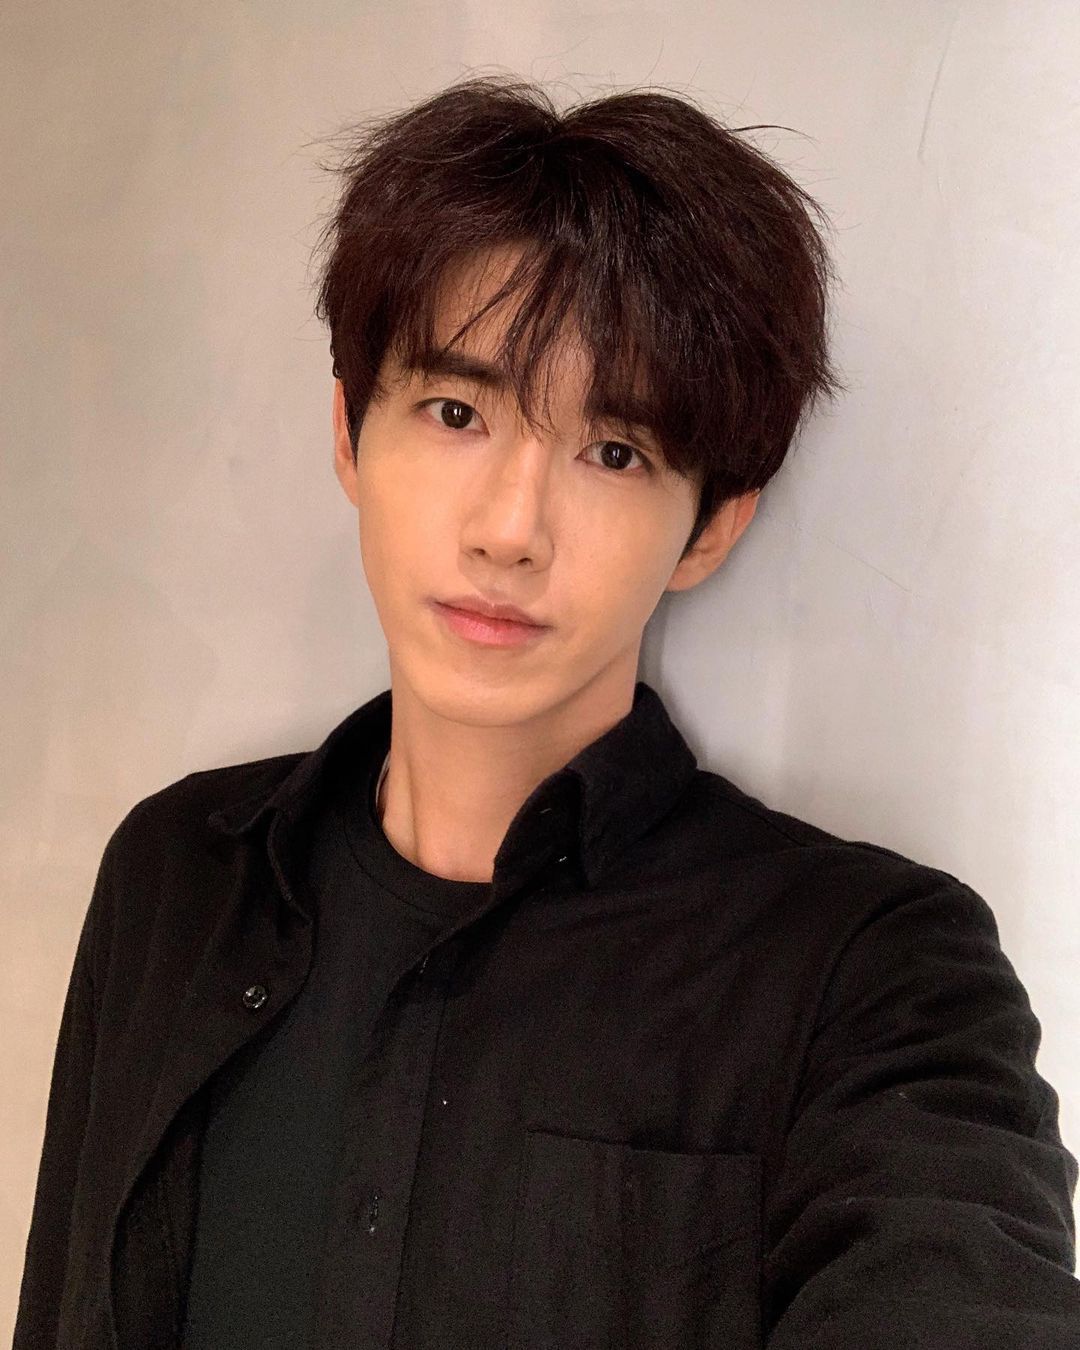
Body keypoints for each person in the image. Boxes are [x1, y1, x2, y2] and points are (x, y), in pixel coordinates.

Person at [14, 73, 1080, 1350]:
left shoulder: (876, 971)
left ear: (713, 524)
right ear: (350, 436)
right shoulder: (177, 876)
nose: (510, 530)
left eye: (613, 452)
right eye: (455, 412)